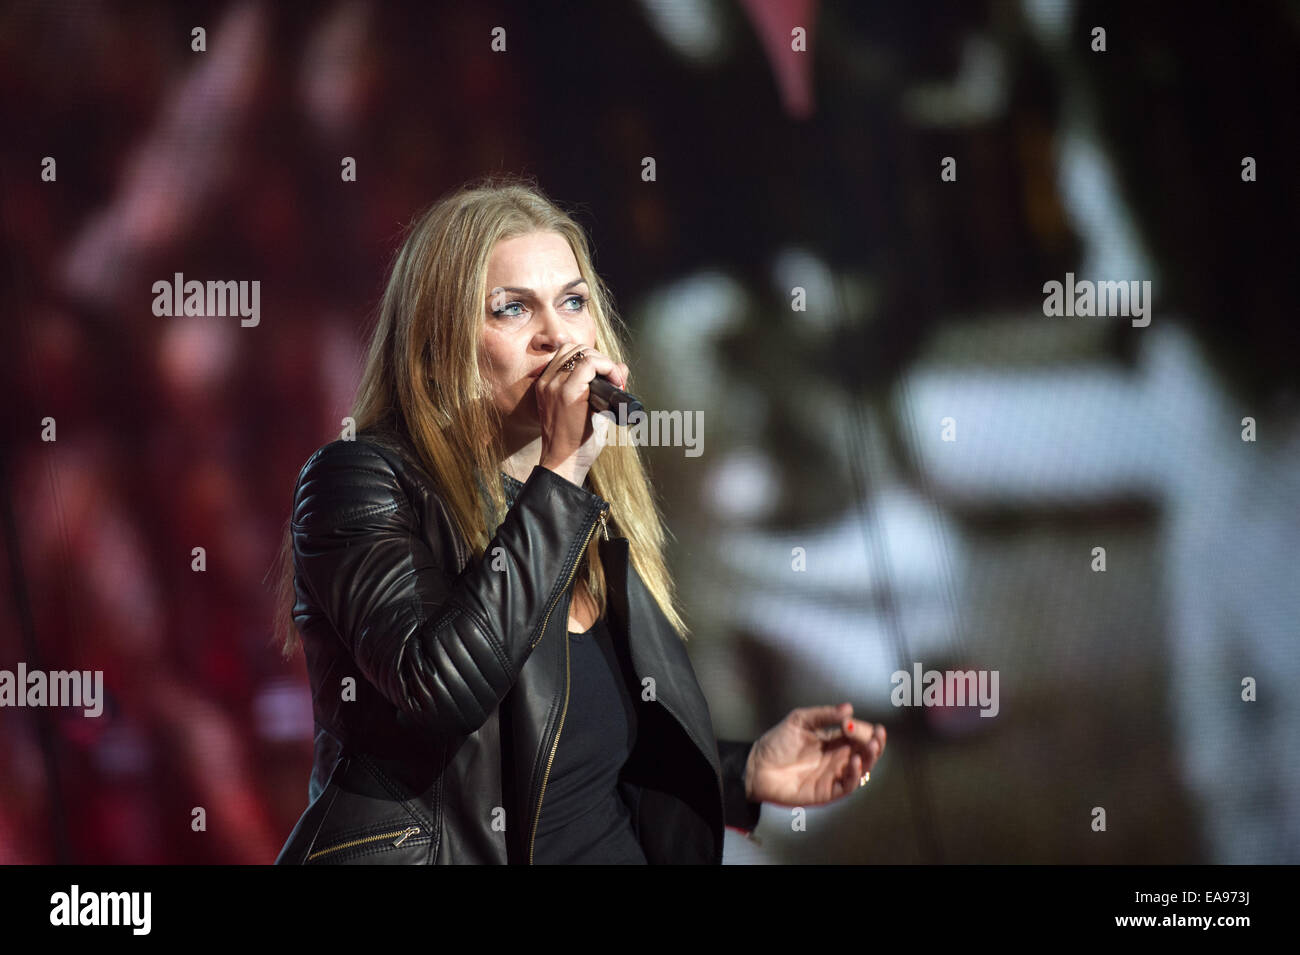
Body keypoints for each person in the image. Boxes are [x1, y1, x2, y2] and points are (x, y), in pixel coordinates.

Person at [271, 176, 886, 864]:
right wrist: (560, 476)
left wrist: (745, 773)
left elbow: (577, 763)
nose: (557, 336)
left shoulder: (581, 507)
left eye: (572, 302)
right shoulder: (361, 480)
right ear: (437, 342)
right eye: (512, 309)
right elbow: (437, 689)